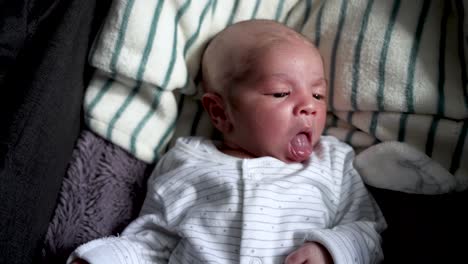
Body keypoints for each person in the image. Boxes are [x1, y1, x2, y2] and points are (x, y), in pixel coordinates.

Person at [68, 19, 386, 264]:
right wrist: (104, 257)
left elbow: (368, 231)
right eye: (281, 93)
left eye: (318, 94)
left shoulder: (331, 163)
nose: (309, 106)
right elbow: (152, 243)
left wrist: (330, 251)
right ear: (220, 112)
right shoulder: (187, 161)